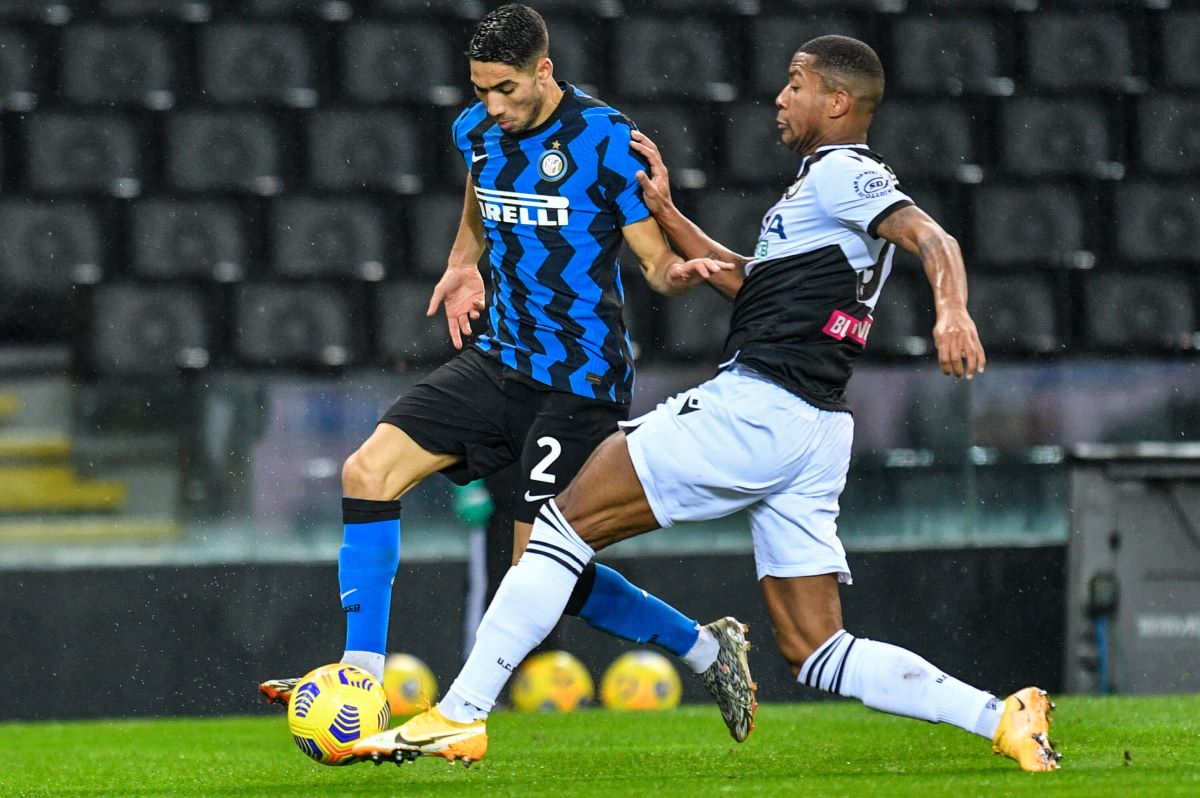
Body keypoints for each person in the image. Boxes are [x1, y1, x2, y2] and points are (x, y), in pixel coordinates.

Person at [351, 35, 1062, 773]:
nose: (781, 98)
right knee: (816, 650)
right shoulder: (818, 190)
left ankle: (460, 715)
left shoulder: (845, 173)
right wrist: (667, 212)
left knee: (560, 528)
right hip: (814, 427)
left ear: (837, 101)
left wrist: (953, 311)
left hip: (758, 405)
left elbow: (931, 237)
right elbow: (755, 286)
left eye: (796, 85)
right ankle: (1001, 717)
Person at [257, 3, 758, 746]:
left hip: (577, 380)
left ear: (544, 71)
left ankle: (704, 649)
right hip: (499, 359)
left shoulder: (605, 140)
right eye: (480, 89)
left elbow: (654, 263)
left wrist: (676, 273)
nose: (492, 106)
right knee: (367, 472)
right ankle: (361, 677)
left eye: (506, 89)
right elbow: (480, 195)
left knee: (537, 572)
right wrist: (463, 264)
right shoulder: (479, 131)